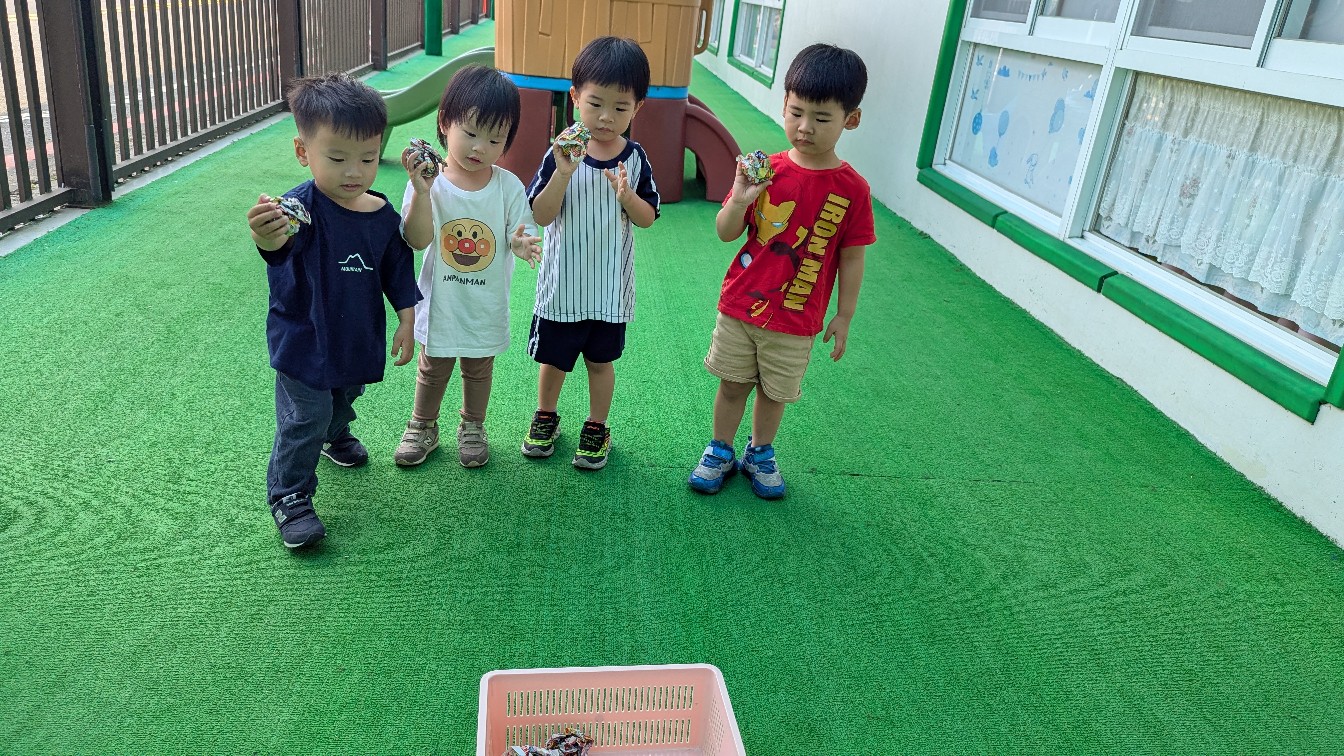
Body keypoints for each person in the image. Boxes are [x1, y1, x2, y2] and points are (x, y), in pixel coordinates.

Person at [688, 43, 876, 500]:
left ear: (851, 119)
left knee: (775, 393)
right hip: (741, 305)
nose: (805, 127)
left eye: (822, 118)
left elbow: (852, 256)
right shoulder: (764, 171)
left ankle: (760, 452)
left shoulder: (853, 189)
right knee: (732, 384)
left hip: (797, 316)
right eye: (796, 112)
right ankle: (720, 448)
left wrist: (845, 314)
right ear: (784, 104)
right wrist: (739, 198)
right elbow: (725, 232)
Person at [245, 73, 420, 549]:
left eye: (367, 158)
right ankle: (290, 494)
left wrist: (407, 319)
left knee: (345, 394)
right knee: (307, 413)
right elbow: (278, 247)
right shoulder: (296, 210)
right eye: (338, 159)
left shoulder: (380, 214)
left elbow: (396, 269)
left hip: (354, 335)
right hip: (304, 337)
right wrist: (266, 235)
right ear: (303, 152)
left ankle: (334, 432)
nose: (354, 172)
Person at [522, 36, 661, 470]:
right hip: (562, 288)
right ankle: (546, 415)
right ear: (575, 97)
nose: (605, 117)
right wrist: (563, 173)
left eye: (620, 108)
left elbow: (647, 218)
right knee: (553, 361)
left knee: (601, 363)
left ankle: (597, 425)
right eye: (596, 103)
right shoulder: (560, 153)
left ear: (638, 108)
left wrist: (626, 197)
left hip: (608, 291)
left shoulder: (634, 159)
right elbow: (540, 214)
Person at [393, 66, 541, 469]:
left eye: (495, 139)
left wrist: (520, 244)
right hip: (441, 300)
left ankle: (473, 425)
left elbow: (520, 232)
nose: (480, 148)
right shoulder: (429, 182)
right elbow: (417, 239)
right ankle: (422, 424)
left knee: (479, 368)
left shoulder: (508, 186)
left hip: (484, 303)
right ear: (445, 123)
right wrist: (422, 194)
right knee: (432, 367)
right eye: (471, 133)